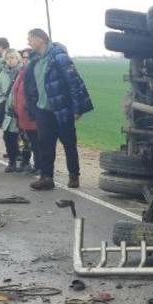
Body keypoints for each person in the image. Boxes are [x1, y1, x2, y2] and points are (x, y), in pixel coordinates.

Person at [24, 28, 92, 190]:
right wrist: (33, 108)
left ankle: (74, 175)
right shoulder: (34, 61)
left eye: (30, 39)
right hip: (43, 111)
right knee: (45, 145)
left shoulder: (59, 57)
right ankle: (46, 178)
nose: (28, 42)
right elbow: (30, 86)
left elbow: (74, 83)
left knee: (69, 143)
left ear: (40, 39)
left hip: (61, 109)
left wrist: (76, 109)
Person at [0, 49, 33, 173]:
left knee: (25, 139)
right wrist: (1, 99)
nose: (10, 60)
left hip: (21, 112)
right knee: (8, 138)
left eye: (13, 57)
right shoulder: (2, 74)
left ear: (18, 59)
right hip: (8, 112)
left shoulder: (24, 72)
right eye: (8, 58)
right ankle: (11, 162)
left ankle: (25, 163)